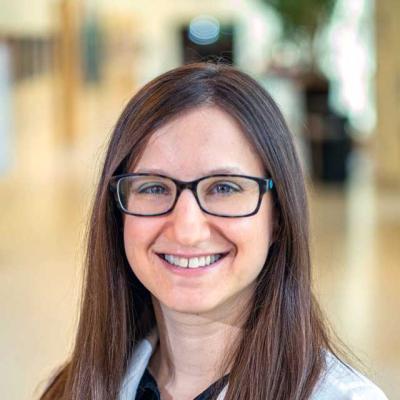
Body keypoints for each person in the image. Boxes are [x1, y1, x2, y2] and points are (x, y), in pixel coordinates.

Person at [40, 62, 388, 400]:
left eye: (224, 188)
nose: (187, 230)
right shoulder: (67, 389)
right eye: (154, 188)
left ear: (278, 216)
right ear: (117, 214)